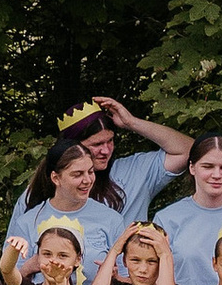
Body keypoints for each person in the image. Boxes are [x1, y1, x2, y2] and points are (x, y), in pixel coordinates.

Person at [6, 139, 128, 285]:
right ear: (56, 178)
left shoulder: (111, 219)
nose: (87, 180)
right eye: (77, 175)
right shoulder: (27, 221)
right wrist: (29, 268)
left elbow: (128, 277)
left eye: (90, 172)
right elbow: (9, 283)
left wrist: (115, 278)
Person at [54, 96, 194, 225]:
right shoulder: (52, 183)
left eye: (110, 141)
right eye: (97, 144)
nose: (106, 150)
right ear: (73, 147)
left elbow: (190, 151)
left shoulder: (134, 170)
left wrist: (131, 122)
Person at [154, 135, 222, 285]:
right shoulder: (166, 219)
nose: (217, 175)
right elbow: (153, 277)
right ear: (192, 167)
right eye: (208, 166)